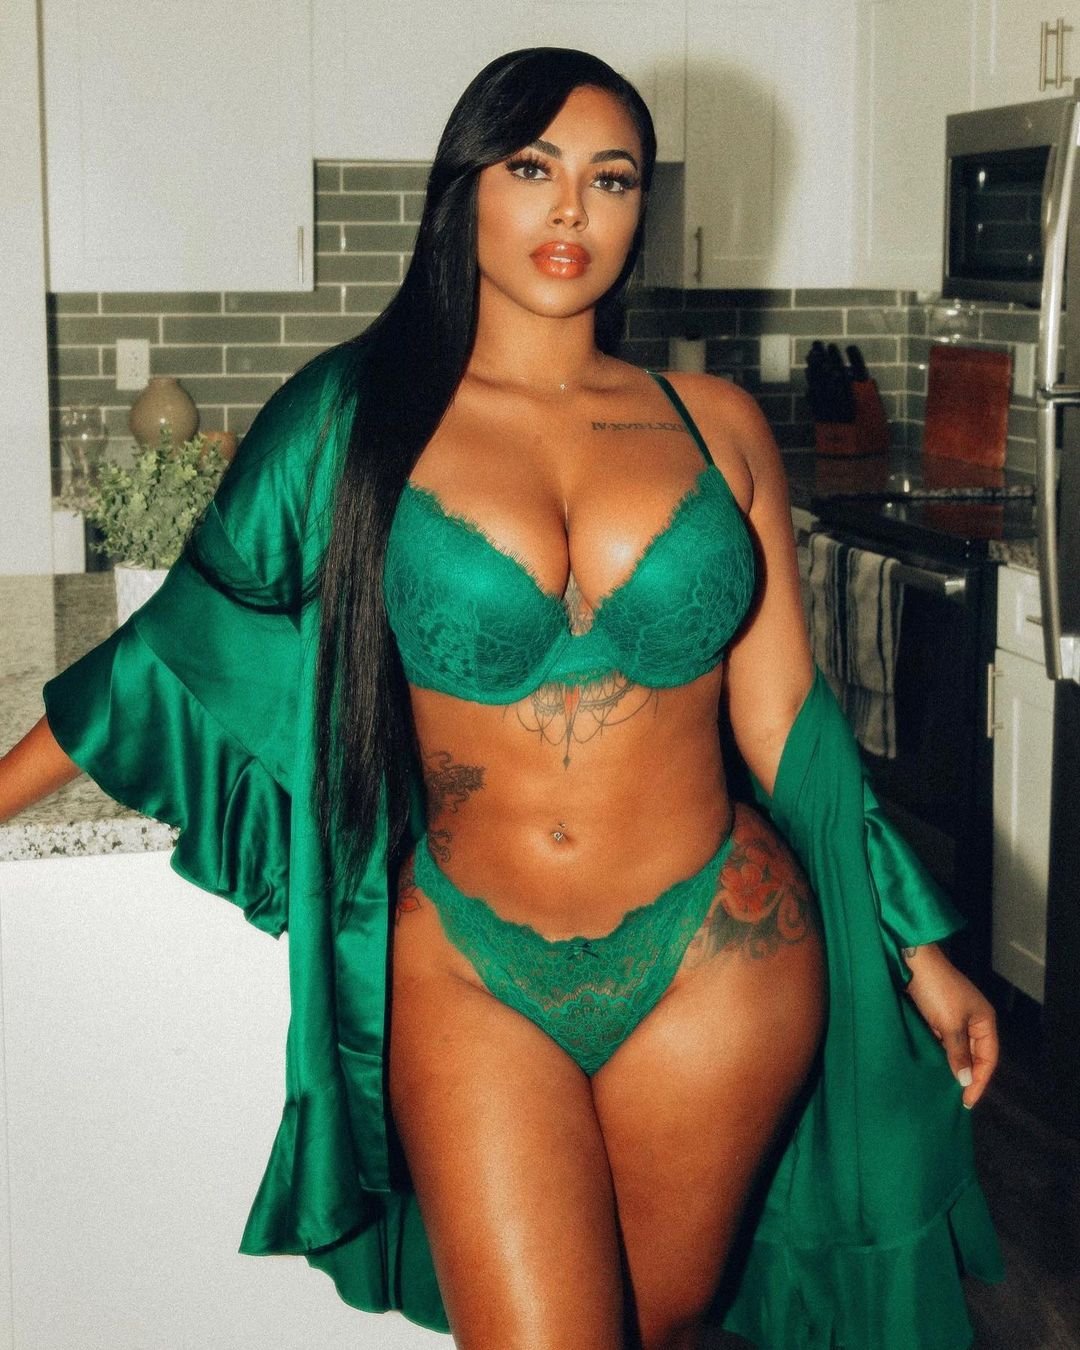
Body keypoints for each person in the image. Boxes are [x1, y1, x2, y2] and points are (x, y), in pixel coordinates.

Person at [0, 46, 1003, 1350]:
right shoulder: (355, 414)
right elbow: (178, 649)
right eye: (533, 168)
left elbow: (786, 730)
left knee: (657, 1328)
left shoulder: (715, 423)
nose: (572, 207)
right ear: (464, 188)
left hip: (722, 955)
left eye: (612, 178)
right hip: (471, 964)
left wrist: (920, 951)